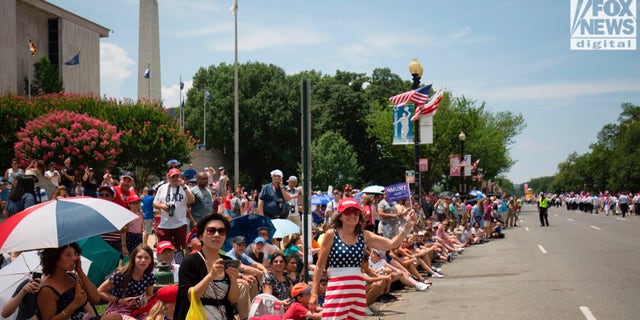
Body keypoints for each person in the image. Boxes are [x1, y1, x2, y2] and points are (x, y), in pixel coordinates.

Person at [310, 197, 417, 319]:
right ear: (340, 216)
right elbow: (319, 266)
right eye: (347, 212)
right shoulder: (331, 235)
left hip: (357, 289)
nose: (352, 215)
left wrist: (407, 227)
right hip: (337, 289)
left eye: (355, 212)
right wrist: (314, 293)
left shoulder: (364, 235)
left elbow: (392, 244)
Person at [174, 213, 240, 320]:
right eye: (211, 230)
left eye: (221, 231)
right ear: (201, 236)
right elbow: (189, 297)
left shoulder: (228, 261)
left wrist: (233, 280)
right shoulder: (190, 261)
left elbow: (233, 299)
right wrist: (210, 276)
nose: (216, 234)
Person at [37, 243, 122, 320]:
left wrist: (81, 273)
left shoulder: (73, 277)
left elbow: (95, 299)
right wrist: (74, 305)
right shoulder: (47, 290)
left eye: (75, 254)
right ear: (54, 259)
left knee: (115, 317)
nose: (74, 258)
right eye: (68, 255)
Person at [98, 244, 156, 319]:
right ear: (133, 258)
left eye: (146, 258)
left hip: (138, 309)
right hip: (118, 308)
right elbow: (100, 291)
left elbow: (149, 296)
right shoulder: (121, 275)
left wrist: (143, 300)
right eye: (139, 257)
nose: (143, 260)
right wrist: (120, 301)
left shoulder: (149, 277)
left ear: (151, 261)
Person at [153, 168, 195, 253]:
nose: (175, 179)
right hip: (165, 224)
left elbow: (192, 200)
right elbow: (154, 203)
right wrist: (161, 206)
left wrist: (184, 187)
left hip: (180, 223)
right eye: (173, 177)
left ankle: (178, 264)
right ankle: (166, 264)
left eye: (177, 176)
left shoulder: (185, 188)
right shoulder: (162, 188)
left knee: (180, 248)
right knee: (165, 248)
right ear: (168, 177)